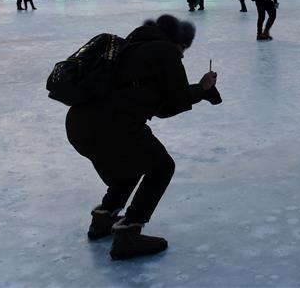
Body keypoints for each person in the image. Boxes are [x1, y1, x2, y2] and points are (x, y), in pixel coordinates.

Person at [65, 14, 222, 260]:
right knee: (161, 166)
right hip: (114, 124)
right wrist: (202, 88)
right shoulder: (165, 51)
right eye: (183, 48)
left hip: (79, 124)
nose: (182, 54)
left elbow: (160, 106)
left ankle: (103, 220)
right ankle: (128, 234)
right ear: (178, 41)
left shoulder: (130, 47)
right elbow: (176, 102)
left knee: (130, 166)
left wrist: (197, 92)